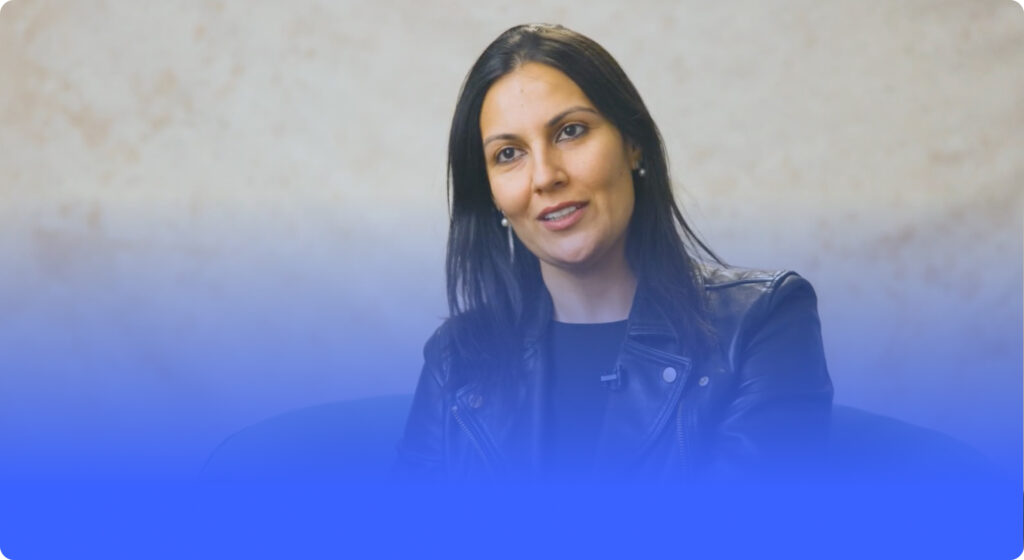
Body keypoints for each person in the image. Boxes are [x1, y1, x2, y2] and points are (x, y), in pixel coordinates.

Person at [396, 23, 833, 481]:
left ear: (633, 145)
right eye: (508, 154)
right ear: (490, 195)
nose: (544, 176)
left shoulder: (763, 321)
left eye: (570, 131)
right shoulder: (457, 357)